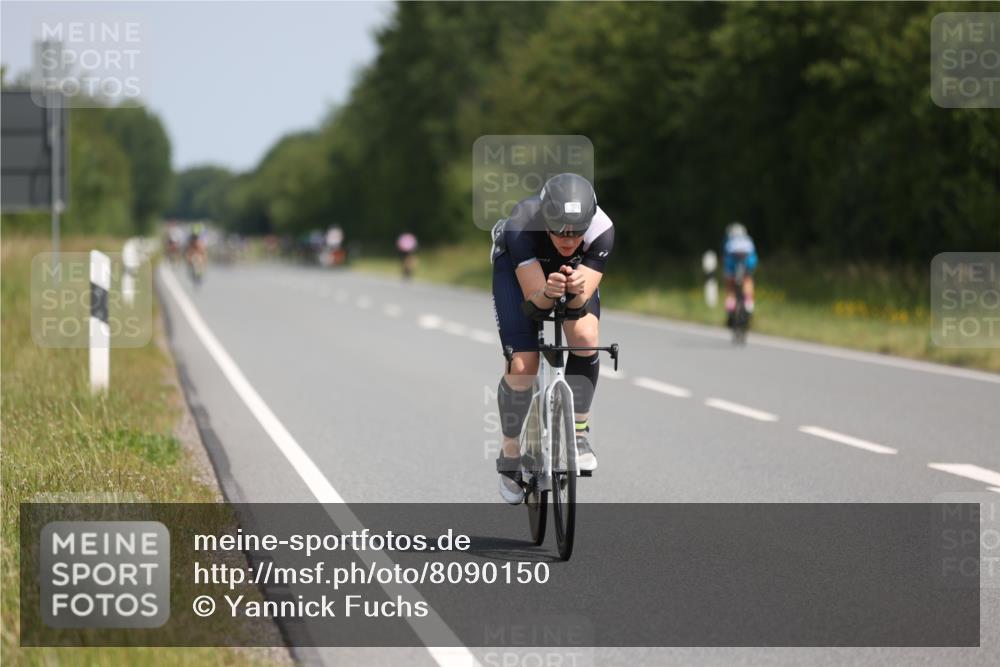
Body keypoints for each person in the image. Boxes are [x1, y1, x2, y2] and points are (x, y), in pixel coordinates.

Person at [490, 173, 614, 504]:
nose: (568, 239)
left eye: (576, 232)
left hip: (570, 275)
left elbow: (579, 304)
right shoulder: (521, 224)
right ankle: (510, 450)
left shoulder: (601, 230)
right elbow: (533, 306)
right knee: (522, 364)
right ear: (545, 220)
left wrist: (573, 293)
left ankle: (579, 433)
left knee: (585, 336)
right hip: (518, 271)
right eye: (560, 230)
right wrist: (548, 292)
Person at [722, 222, 757, 324]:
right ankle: (749, 306)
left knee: (730, 288)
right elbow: (753, 256)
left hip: (732, 264)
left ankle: (730, 310)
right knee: (748, 282)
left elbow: (725, 256)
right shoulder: (748, 240)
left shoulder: (729, 240)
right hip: (747, 262)